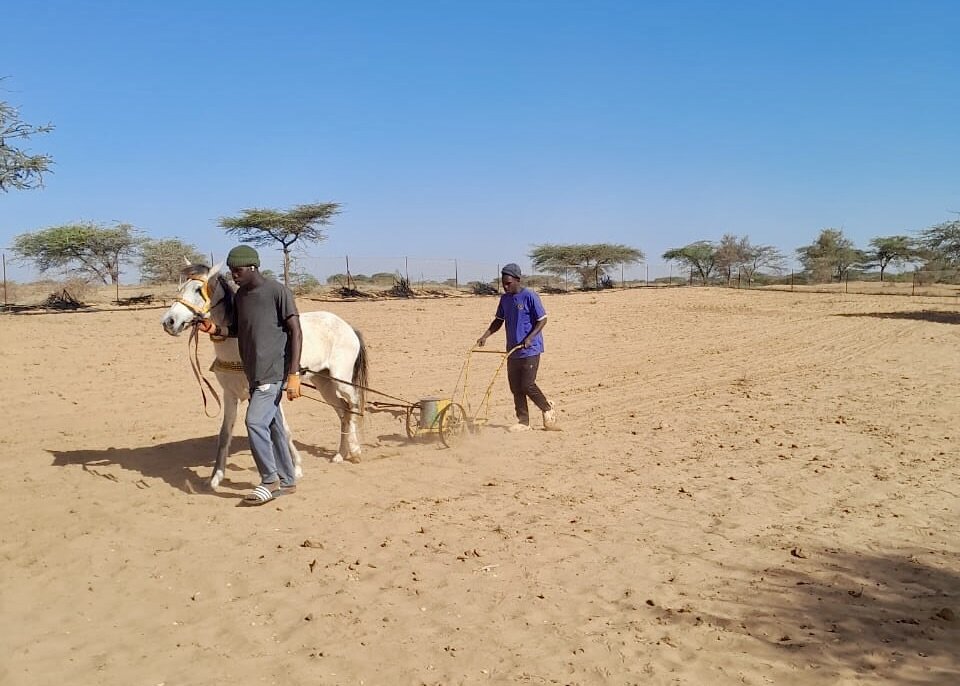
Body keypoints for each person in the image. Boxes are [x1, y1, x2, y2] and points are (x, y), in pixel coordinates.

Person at [199, 245, 303, 505]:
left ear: (254, 268)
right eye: (231, 271)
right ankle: (288, 481)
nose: (234, 276)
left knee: (254, 422)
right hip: (252, 373)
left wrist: (294, 374)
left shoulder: (277, 291)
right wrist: (215, 329)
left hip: (273, 373)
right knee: (274, 427)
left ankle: (269, 480)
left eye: (238, 270)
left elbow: (295, 331)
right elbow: (237, 329)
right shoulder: (241, 297)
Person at [476, 263, 559, 432]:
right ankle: (523, 421)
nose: (505, 287)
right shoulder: (505, 299)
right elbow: (499, 320)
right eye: (503, 284)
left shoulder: (530, 296)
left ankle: (547, 409)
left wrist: (530, 338)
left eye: (508, 283)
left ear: (517, 280)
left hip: (530, 349)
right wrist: (485, 336)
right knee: (515, 387)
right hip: (512, 350)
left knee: (527, 385)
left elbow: (542, 319)